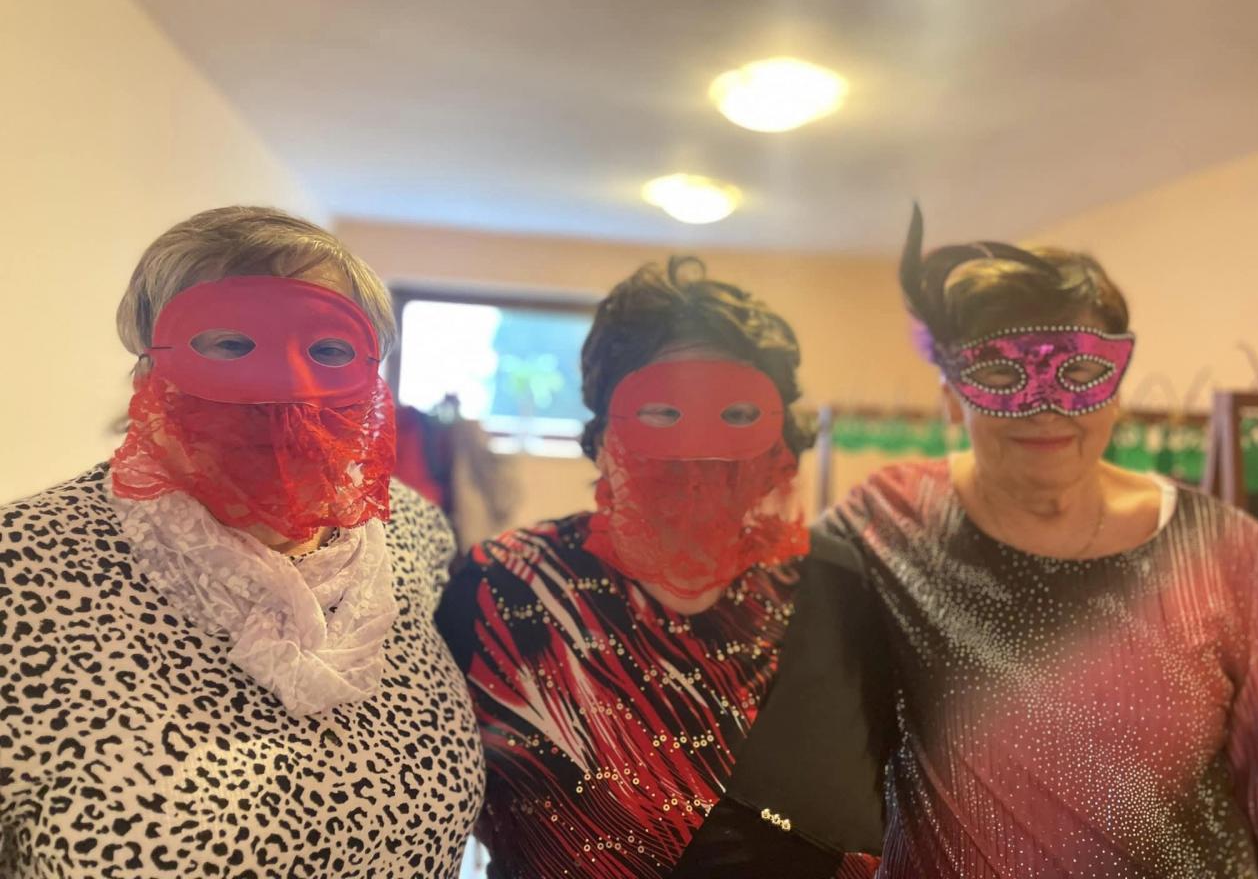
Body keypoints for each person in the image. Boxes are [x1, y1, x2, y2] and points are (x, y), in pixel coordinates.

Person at [0, 207, 484, 879]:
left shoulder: (410, 532)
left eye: (327, 350)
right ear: (149, 368)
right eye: (229, 345)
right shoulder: (22, 568)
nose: (283, 393)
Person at [821, 206, 1258, 877]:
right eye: (1001, 376)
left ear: (1116, 387)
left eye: (1080, 373)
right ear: (951, 395)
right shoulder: (888, 520)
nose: (1047, 407)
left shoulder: (1222, 548)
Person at [437, 256, 887, 878]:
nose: (698, 451)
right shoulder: (503, 588)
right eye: (662, 412)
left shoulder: (842, 587)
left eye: (736, 415)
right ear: (604, 435)